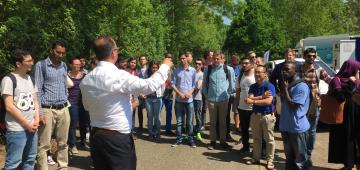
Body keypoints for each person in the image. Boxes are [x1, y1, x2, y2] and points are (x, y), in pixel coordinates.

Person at [80, 36, 172, 170]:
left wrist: (126, 106)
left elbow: (87, 106)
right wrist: (165, 66)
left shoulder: (86, 80)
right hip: (117, 139)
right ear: (113, 53)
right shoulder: (119, 76)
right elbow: (149, 86)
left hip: (97, 137)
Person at [35, 40, 70, 170]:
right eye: (58, 52)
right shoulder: (41, 65)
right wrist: (39, 113)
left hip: (64, 108)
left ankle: (63, 166)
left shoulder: (64, 65)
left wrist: (65, 95)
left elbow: (64, 84)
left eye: (63, 53)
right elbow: (37, 90)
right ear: (51, 50)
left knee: (63, 142)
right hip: (47, 109)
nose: (60, 55)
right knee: (44, 144)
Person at [1, 49, 39, 169]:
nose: (32, 63)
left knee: (30, 160)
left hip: (32, 128)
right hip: (17, 129)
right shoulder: (8, 80)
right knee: (13, 163)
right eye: (29, 61)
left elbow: (35, 101)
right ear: (18, 64)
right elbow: (9, 107)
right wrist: (26, 124)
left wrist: (36, 119)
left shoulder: (30, 79)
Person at [297, 48, 331, 166]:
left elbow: (329, 80)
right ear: (304, 57)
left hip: (314, 105)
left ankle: (308, 155)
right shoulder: (298, 69)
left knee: (311, 131)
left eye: (313, 56)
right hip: (300, 105)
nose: (311, 58)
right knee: (301, 131)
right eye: (309, 56)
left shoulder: (318, 69)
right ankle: (302, 155)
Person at [327, 60, 360, 170]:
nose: (358, 72)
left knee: (356, 139)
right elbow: (340, 97)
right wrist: (350, 83)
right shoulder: (336, 80)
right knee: (346, 140)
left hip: (356, 115)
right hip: (344, 116)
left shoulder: (358, 81)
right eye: (357, 69)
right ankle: (348, 165)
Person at [279, 62, 310, 170]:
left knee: (300, 161)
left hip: (297, 129)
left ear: (295, 71)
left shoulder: (302, 86)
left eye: (287, 69)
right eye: (283, 69)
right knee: (289, 159)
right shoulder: (287, 83)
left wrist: (286, 89)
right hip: (286, 127)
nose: (284, 71)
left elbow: (293, 105)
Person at [244, 65, 276, 170]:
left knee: (269, 140)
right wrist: (262, 96)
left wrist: (253, 101)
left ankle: (270, 160)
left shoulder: (269, 86)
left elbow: (268, 101)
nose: (257, 74)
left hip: (267, 116)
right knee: (256, 139)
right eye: (256, 72)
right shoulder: (253, 86)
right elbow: (248, 98)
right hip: (255, 116)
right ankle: (256, 158)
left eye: (260, 72)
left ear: (265, 74)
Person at [202, 52, 235, 150]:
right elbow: (204, 84)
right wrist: (207, 96)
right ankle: (212, 142)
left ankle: (223, 142)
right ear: (212, 59)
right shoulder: (208, 69)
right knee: (212, 123)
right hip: (211, 100)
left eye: (218, 59)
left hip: (223, 100)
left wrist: (228, 95)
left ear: (222, 59)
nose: (216, 61)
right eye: (214, 59)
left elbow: (232, 85)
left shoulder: (228, 69)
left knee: (223, 123)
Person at [171, 54, 197, 148]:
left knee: (189, 122)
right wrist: (179, 93)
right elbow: (173, 84)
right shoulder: (176, 70)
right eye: (180, 58)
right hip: (179, 100)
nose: (182, 60)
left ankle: (190, 139)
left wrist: (189, 93)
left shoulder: (193, 70)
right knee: (179, 121)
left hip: (189, 100)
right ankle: (178, 139)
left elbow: (195, 84)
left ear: (187, 58)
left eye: (184, 58)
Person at [67, 57, 90, 154]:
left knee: (84, 123)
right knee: (73, 124)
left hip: (83, 103)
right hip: (72, 103)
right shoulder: (66, 76)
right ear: (71, 65)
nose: (77, 66)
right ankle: (72, 145)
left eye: (78, 64)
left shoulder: (85, 75)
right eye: (75, 64)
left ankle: (83, 142)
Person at [235, 55, 256, 153]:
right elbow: (238, 91)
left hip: (254, 107)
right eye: (242, 63)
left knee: (256, 131)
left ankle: (257, 150)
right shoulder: (240, 75)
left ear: (251, 64)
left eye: (246, 63)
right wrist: (237, 105)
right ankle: (245, 147)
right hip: (242, 107)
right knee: (244, 130)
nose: (244, 65)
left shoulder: (256, 74)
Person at [145, 61, 164, 140]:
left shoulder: (160, 76)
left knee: (157, 117)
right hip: (148, 99)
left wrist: (160, 95)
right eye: (153, 67)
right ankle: (150, 133)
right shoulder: (147, 76)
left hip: (158, 98)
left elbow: (163, 87)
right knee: (150, 116)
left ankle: (157, 133)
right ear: (150, 68)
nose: (155, 69)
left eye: (156, 68)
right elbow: (144, 85)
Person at [162, 53, 175, 136]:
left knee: (169, 113)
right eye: (167, 57)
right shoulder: (161, 68)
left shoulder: (173, 69)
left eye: (170, 58)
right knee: (157, 112)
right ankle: (155, 129)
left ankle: (168, 129)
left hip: (169, 94)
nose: (169, 59)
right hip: (161, 94)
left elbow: (175, 80)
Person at [193, 58, 204, 141]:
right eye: (196, 63)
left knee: (197, 115)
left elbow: (198, 87)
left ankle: (198, 133)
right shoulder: (192, 73)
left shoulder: (201, 74)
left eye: (199, 64)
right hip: (189, 98)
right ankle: (190, 132)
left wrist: (189, 92)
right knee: (190, 116)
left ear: (202, 65)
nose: (197, 65)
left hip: (197, 98)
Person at [137, 55, 148, 131]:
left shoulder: (150, 69)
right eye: (141, 59)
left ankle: (149, 126)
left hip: (148, 93)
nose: (142, 60)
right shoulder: (137, 70)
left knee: (149, 111)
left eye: (143, 59)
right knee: (140, 110)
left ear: (146, 60)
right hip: (140, 93)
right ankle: (140, 126)